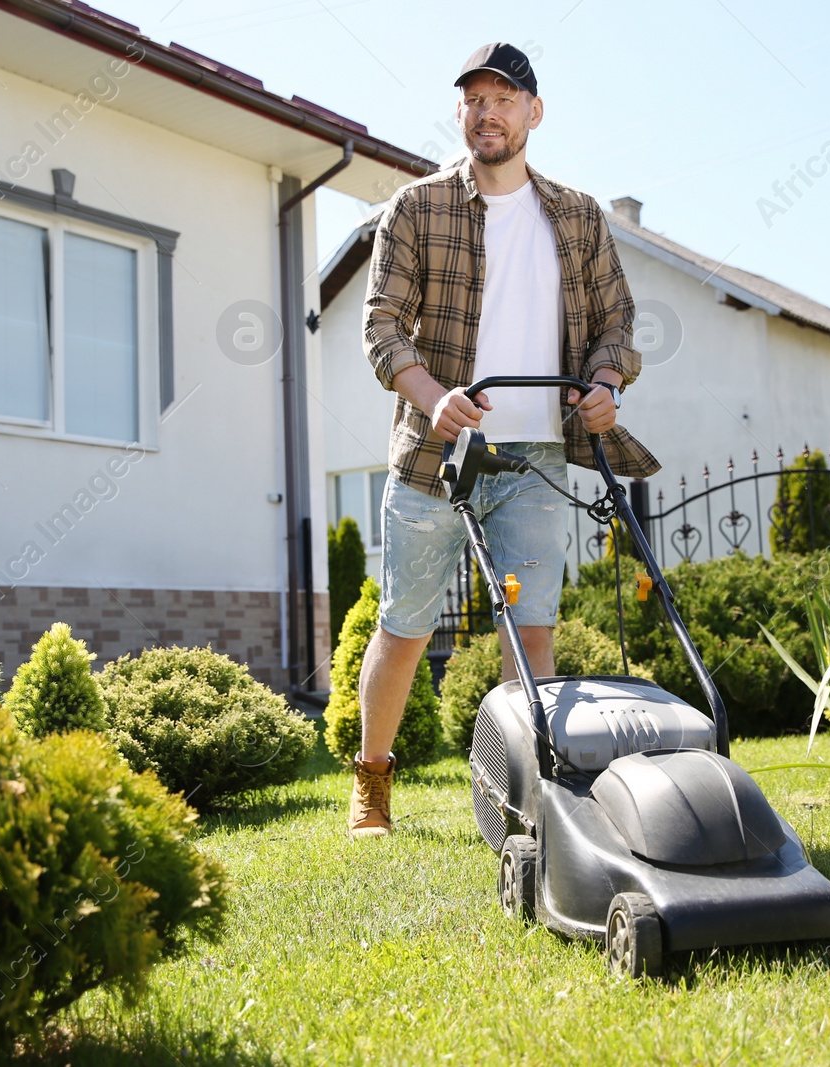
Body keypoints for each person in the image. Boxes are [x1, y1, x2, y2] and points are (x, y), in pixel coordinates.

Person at [349, 42, 659, 837]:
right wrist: (432, 397)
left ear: (534, 112)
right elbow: (382, 326)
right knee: (407, 623)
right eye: (475, 99)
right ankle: (373, 781)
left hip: (537, 458)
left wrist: (606, 383)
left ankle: (536, 796)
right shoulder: (416, 208)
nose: (488, 112)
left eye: (505, 98)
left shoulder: (579, 216)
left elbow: (617, 324)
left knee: (532, 631)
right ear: (461, 113)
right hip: (435, 457)